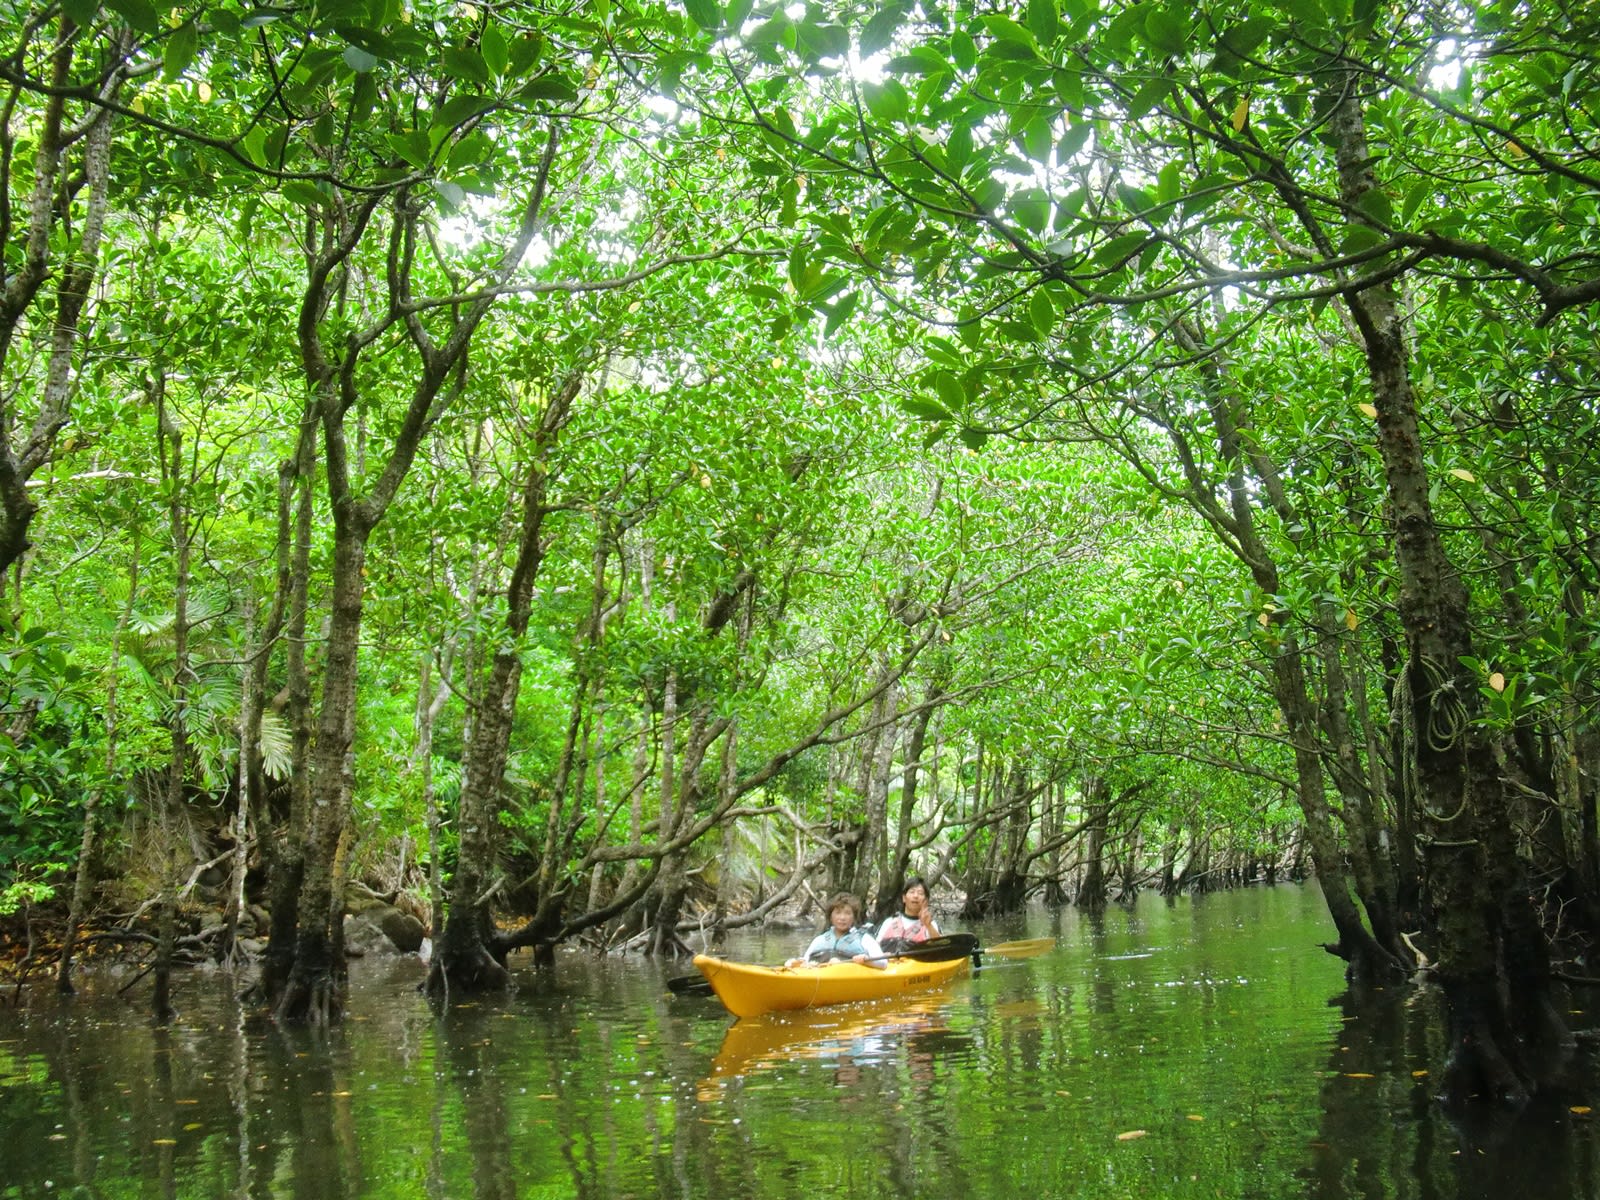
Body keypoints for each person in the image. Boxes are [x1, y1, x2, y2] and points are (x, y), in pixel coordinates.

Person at [786, 892, 886, 968]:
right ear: (831, 917)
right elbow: (805, 960)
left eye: (847, 913)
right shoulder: (820, 940)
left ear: (854, 917)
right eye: (838, 913)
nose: (842, 918)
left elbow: (883, 963)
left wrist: (866, 960)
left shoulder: (864, 939)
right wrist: (797, 962)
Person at [876, 876, 940, 952]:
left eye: (920, 893)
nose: (915, 896)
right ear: (904, 898)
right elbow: (875, 948)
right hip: (888, 962)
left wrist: (929, 926)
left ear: (926, 900)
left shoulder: (931, 925)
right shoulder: (889, 922)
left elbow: (940, 949)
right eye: (912, 892)